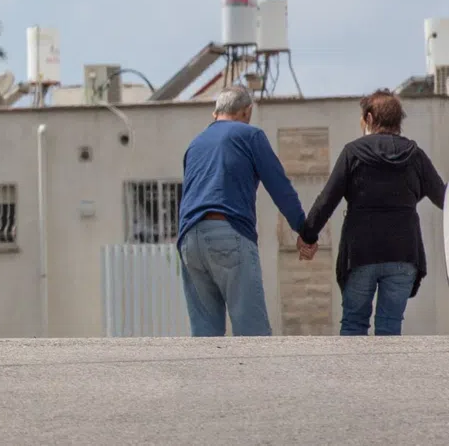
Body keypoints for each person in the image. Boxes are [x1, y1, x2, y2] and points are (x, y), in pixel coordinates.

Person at [298, 89, 445, 336]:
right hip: (403, 252)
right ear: (398, 121)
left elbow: (327, 199)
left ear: (368, 118)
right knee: (390, 326)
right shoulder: (415, 155)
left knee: (354, 324)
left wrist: (308, 236)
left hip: (360, 253)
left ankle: (353, 376)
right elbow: (443, 197)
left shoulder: (353, 153)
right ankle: (386, 376)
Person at [177, 86, 307, 336]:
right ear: (247, 112)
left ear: (215, 113)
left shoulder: (195, 144)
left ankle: (211, 376)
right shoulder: (250, 135)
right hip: (228, 232)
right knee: (252, 335)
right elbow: (279, 186)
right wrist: (304, 230)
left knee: (206, 336)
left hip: (189, 240)